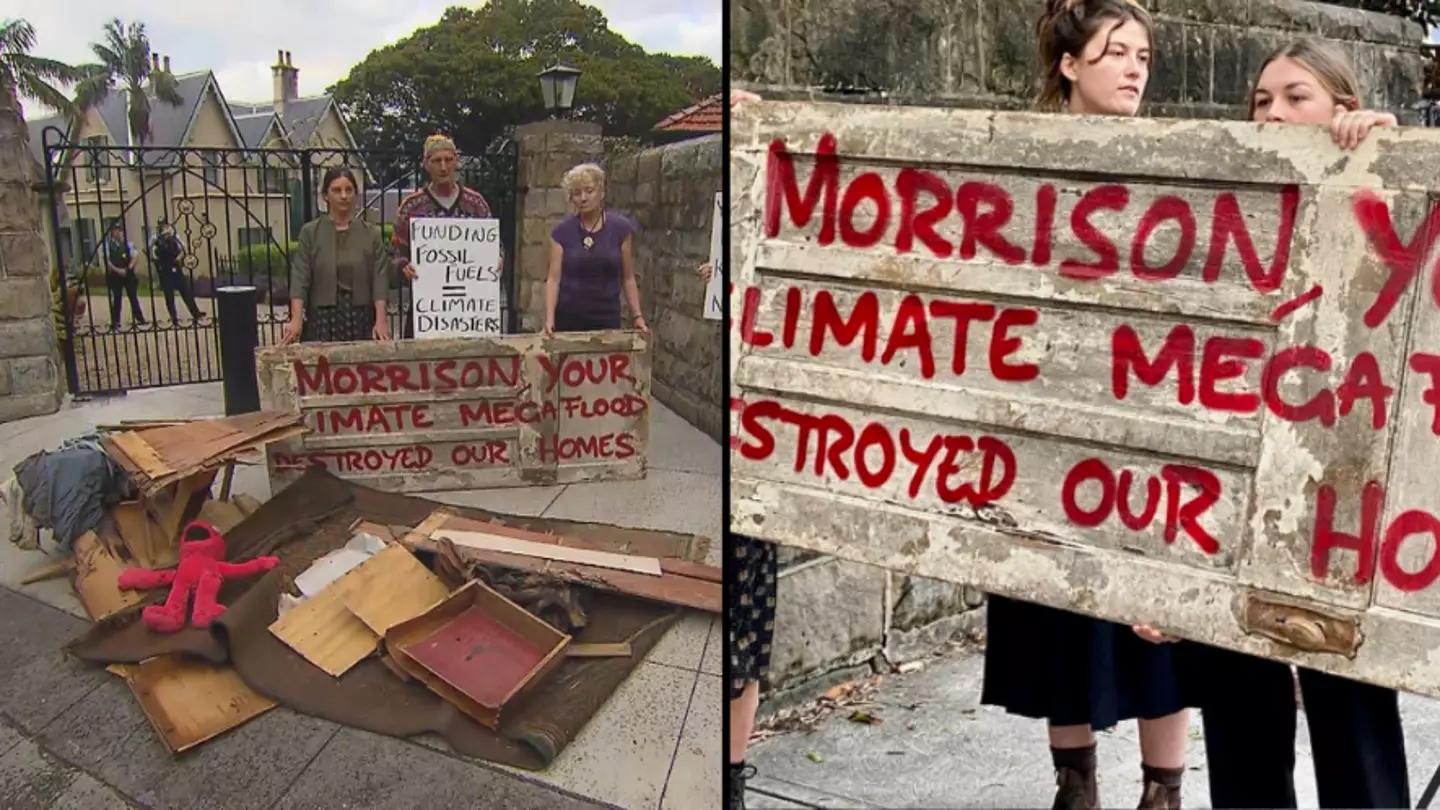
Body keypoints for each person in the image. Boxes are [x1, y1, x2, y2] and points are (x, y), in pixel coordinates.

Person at [1145, 38, 1407, 810]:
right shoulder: (1228, 190)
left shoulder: (1381, 183)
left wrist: (1392, 156)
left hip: (1340, 489)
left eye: (1297, 96)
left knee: (1349, 700)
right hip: (1232, 479)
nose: (1274, 113)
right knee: (1238, 713)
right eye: (1263, 100)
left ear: (1342, 109)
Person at [979, 4, 1193, 809]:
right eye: (1116, 53)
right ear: (1069, 65)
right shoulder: (1014, 156)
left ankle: (1162, 795)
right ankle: (1076, 787)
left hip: (1153, 424)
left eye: (1143, 54)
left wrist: (1369, 128)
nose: (1136, 68)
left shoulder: (1187, 159)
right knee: (1056, 616)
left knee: (1157, 625)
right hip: (1043, 427)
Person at [720, 90, 775, 810]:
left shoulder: (782, 212)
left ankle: (733, 776)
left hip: (766, 452)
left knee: (752, 634)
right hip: (739, 440)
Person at [391, 134, 498, 337]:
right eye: (436, 160)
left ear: (456, 161)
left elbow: (493, 245)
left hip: (470, 309)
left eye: (448, 160)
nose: (443, 167)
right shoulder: (411, 206)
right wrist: (404, 266)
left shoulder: (476, 204)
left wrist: (497, 259)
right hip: (426, 308)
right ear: (425, 164)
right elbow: (397, 250)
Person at [281, 167, 391, 344]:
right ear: (325, 195)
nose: (344, 196)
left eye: (349, 190)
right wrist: (296, 318)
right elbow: (300, 276)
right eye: (337, 190)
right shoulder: (310, 233)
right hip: (323, 319)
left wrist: (380, 320)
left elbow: (380, 278)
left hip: (361, 316)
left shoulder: (371, 234)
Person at [543, 163, 647, 335]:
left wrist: (637, 317)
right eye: (577, 193)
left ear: (601, 192)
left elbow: (628, 277)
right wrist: (549, 320)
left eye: (589, 191)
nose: (583, 198)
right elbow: (553, 279)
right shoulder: (561, 233)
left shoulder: (621, 229)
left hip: (607, 320)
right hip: (569, 320)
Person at [149, 220, 204, 324]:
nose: (164, 228)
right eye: (162, 226)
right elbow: (150, 250)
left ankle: (196, 313)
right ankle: (173, 317)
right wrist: (156, 261)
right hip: (164, 269)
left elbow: (183, 249)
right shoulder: (155, 238)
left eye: (166, 225)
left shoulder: (175, 237)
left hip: (175, 267)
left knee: (185, 291)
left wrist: (179, 258)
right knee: (169, 294)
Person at [102, 221, 146, 330]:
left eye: (119, 230)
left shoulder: (128, 244)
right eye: (115, 231)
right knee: (116, 298)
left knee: (133, 297)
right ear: (112, 232)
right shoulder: (108, 246)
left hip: (128, 274)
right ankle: (115, 321)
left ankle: (139, 318)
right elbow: (107, 261)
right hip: (115, 275)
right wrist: (117, 270)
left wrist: (128, 268)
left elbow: (135, 257)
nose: (117, 233)